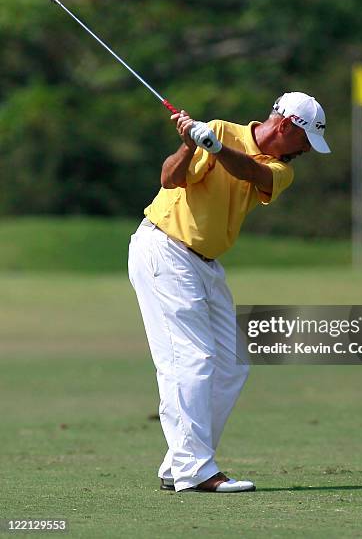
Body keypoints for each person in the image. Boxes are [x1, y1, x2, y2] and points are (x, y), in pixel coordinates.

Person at [128, 91, 330, 493]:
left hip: (207, 264)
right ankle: (194, 469)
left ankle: (178, 463)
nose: (306, 151)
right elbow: (170, 178)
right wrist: (190, 147)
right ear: (287, 126)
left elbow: (251, 174)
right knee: (191, 359)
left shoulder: (279, 169)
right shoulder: (219, 130)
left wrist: (216, 148)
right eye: (305, 141)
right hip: (165, 250)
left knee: (232, 363)